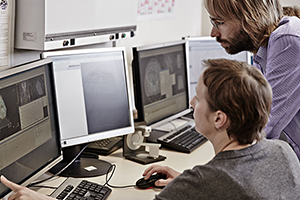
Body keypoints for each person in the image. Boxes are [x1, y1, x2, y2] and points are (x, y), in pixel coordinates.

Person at [142, 59, 300, 199]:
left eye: (198, 98)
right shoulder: (283, 151)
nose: (191, 103)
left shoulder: (201, 182)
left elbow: (219, 184)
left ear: (218, 119)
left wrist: (188, 186)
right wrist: (189, 183)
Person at [203, 0, 300, 159]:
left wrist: (199, 180)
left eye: (218, 22)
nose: (214, 33)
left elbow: (261, 129)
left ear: (250, 17)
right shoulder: (262, 52)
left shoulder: (288, 39)